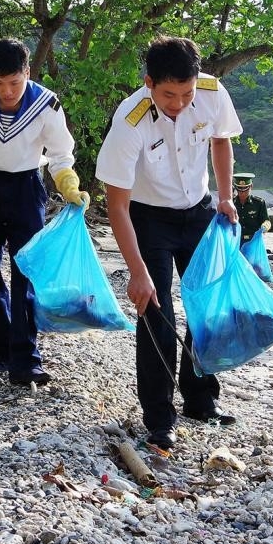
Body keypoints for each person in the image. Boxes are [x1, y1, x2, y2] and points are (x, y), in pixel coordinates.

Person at [95, 36, 243, 451]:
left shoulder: (211, 93)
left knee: (204, 306)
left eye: (186, 93)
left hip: (196, 209)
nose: (178, 103)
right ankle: (159, 417)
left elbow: (221, 140)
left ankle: (201, 399)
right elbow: (117, 206)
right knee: (156, 314)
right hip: (147, 216)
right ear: (148, 83)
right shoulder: (130, 120)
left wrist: (226, 196)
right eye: (168, 95)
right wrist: (137, 273)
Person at [0, 38, 86, 385]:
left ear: (27, 72)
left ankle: (27, 358)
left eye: (14, 82)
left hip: (26, 187)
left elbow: (61, 155)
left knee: (27, 270)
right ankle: (1, 352)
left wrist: (68, 185)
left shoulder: (47, 105)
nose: (7, 91)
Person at [232, 172, 270, 245]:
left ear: (251, 186)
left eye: (245, 189)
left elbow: (266, 220)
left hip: (253, 241)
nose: (242, 192)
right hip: (235, 241)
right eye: (239, 189)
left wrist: (265, 226)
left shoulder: (259, 203)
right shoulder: (232, 204)